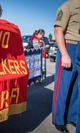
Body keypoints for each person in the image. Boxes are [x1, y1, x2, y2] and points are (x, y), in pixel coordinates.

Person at [52, 0, 80, 132]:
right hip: (69, 46)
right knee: (62, 87)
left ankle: (72, 117)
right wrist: (64, 54)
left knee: (75, 88)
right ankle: (58, 120)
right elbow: (58, 30)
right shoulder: (68, 6)